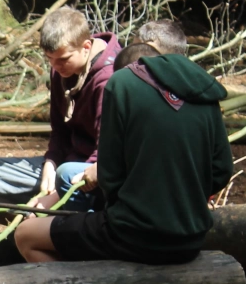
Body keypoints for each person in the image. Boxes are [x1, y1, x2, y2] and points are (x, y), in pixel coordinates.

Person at [15, 40, 234, 265]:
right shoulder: (201, 86)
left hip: (133, 235)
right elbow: (221, 171)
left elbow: (111, 174)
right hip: (192, 239)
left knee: (26, 235)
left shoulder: (122, 82)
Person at [0, 8, 119, 269]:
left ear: (86, 46)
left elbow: (105, 154)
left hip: (86, 179)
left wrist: (54, 194)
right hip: (61, 166)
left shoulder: (110, 79)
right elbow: (59, 130)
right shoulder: (62, 70)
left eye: (62, 60)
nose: (55, 67)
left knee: (64, 179)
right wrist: (50, 162)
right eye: (49, 60)